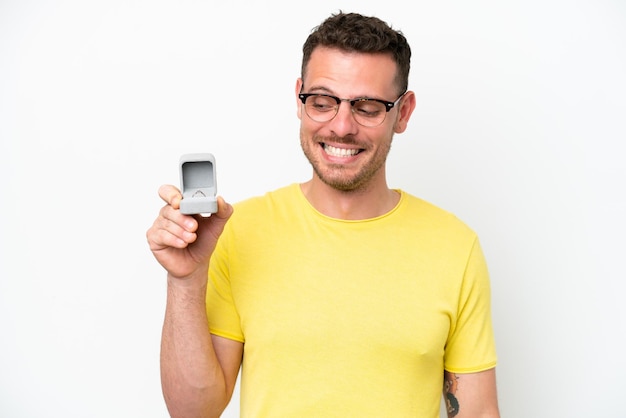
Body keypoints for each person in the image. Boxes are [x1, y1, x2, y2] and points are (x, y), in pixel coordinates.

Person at [147, 11, 500, 418]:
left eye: (367, 107)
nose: (342, 126)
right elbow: (194, 411)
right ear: (299, 98)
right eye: (322, 102)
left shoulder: (454, 247)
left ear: (403, 113)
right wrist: (185, 280)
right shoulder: (238, 231)